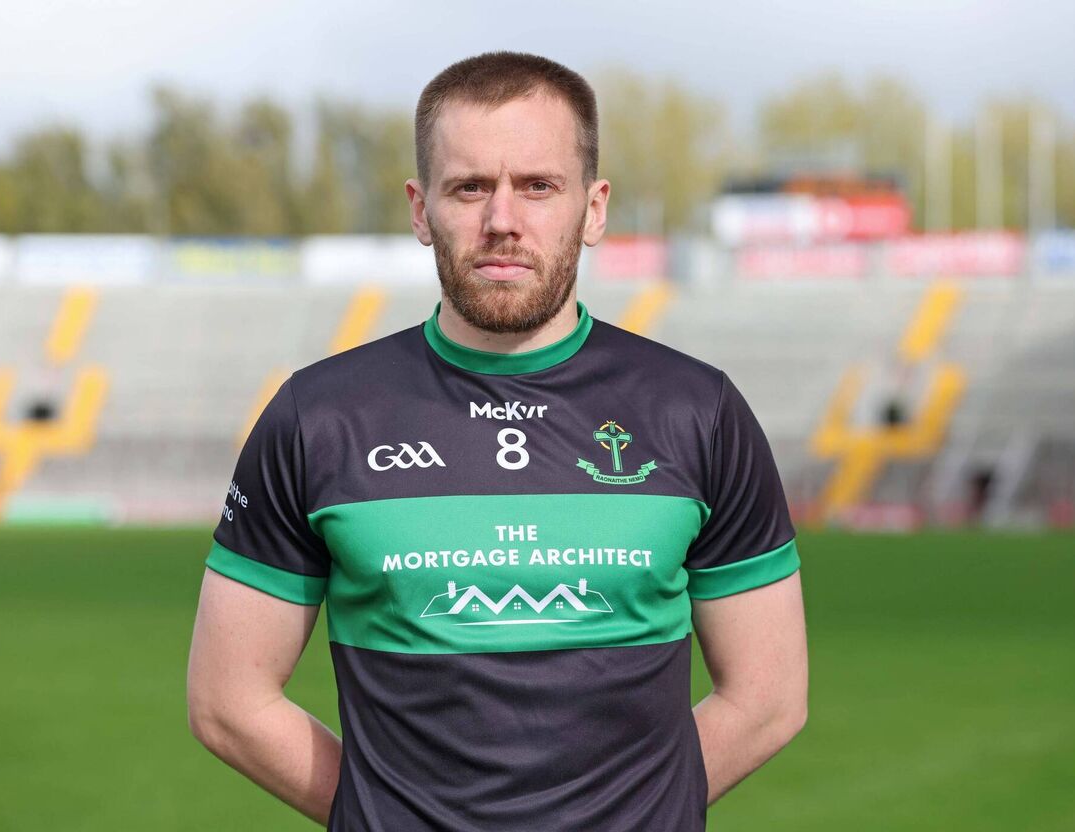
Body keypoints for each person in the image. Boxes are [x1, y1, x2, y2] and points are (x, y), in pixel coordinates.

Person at [187, 51, 808, 831]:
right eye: (469, 187)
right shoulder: (321, 416)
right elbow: (227, 702)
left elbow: (769, 698)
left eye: (539, 186)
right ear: (421, 209)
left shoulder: (698, 410)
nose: (502, 220)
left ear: (594, 206)